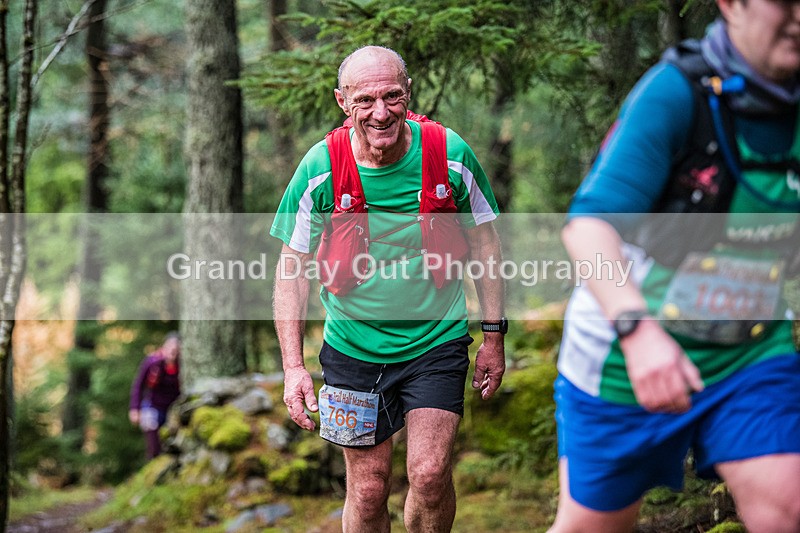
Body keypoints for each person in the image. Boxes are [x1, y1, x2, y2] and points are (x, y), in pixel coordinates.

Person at [552, 1, 800, 532]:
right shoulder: (676, 92)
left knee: (789, 507)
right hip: (622, 360)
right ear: (731, 4)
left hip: (749, 350)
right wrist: (639, 334)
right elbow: (588, 229)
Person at [271, 46, 506, 532]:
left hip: (435, 342)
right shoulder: (320, 168)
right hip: (352, 351)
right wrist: (293, 366)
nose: (382, 113)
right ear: (342, 102)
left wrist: (493, 336)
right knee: (369, 487)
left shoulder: (449, 154)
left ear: (408, 94)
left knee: (429, 473)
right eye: (366, 100)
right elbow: (290, 269)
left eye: (393, 96)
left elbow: (486, 245)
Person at [129, 332, 181, 459]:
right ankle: (154, 459)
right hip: (153, 405)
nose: (173, 351)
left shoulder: (182, 366)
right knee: (151, 431)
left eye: (176, 348)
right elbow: (138, 385)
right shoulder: (153, 363)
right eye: (170, 347)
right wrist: (134, 408)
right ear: (164, 347)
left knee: (170, 440)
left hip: (173, 408)